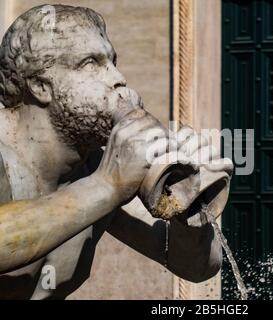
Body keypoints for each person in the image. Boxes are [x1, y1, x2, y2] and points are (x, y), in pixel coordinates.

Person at [0, 4, 232, 299]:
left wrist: (189, 207)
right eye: (90, 63)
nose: (118, 77)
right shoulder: (102, 179)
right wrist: (106, 186)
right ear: (40, 85)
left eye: (112, 61)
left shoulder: (98, 167)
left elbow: (197, 268)